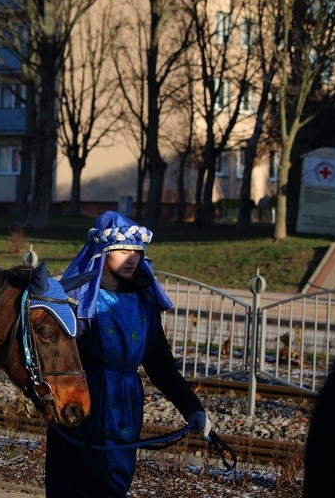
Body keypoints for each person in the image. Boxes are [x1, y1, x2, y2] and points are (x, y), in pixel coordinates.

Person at [45, 210, 211, 496]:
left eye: (136, 250)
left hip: (125, 407)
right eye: (122, 250)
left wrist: (192, 408)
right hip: (81, 405)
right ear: (102, 252)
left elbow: (160, 364)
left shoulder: (144, 300)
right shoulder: (79, 301)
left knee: (114, 482)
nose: (131, 257)